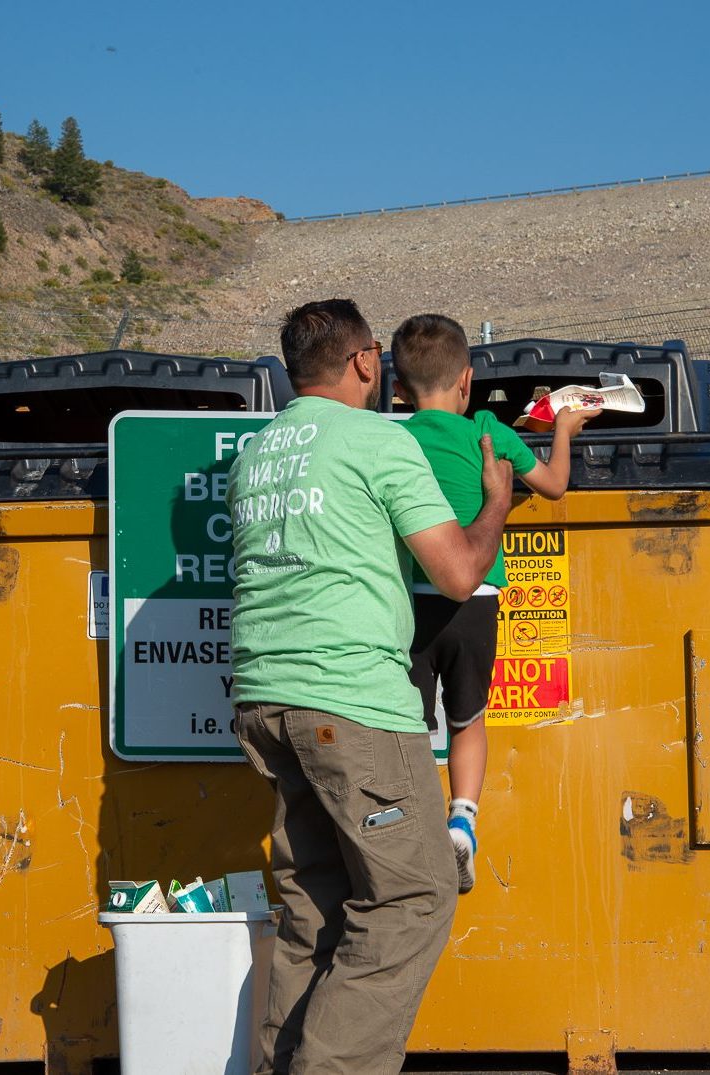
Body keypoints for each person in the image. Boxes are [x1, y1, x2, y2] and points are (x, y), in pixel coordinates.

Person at [225, 298, 514, 1075]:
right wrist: (495, 502)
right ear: (363, 361)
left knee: (315, 907)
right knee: (414, 897)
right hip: (349, 702)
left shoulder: (257, 453)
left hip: (264, 702)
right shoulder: (375, 441)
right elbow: (456, 573)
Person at [391, 313, 600, 895]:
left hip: (408, 601)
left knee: (404, 723)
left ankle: (406, 829)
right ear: (466, 379)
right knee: (468, 717)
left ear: (399, 389)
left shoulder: (392, 438)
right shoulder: (488, 428)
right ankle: (462, 822)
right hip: (477, 598)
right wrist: (564, 428)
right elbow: (555, 485)